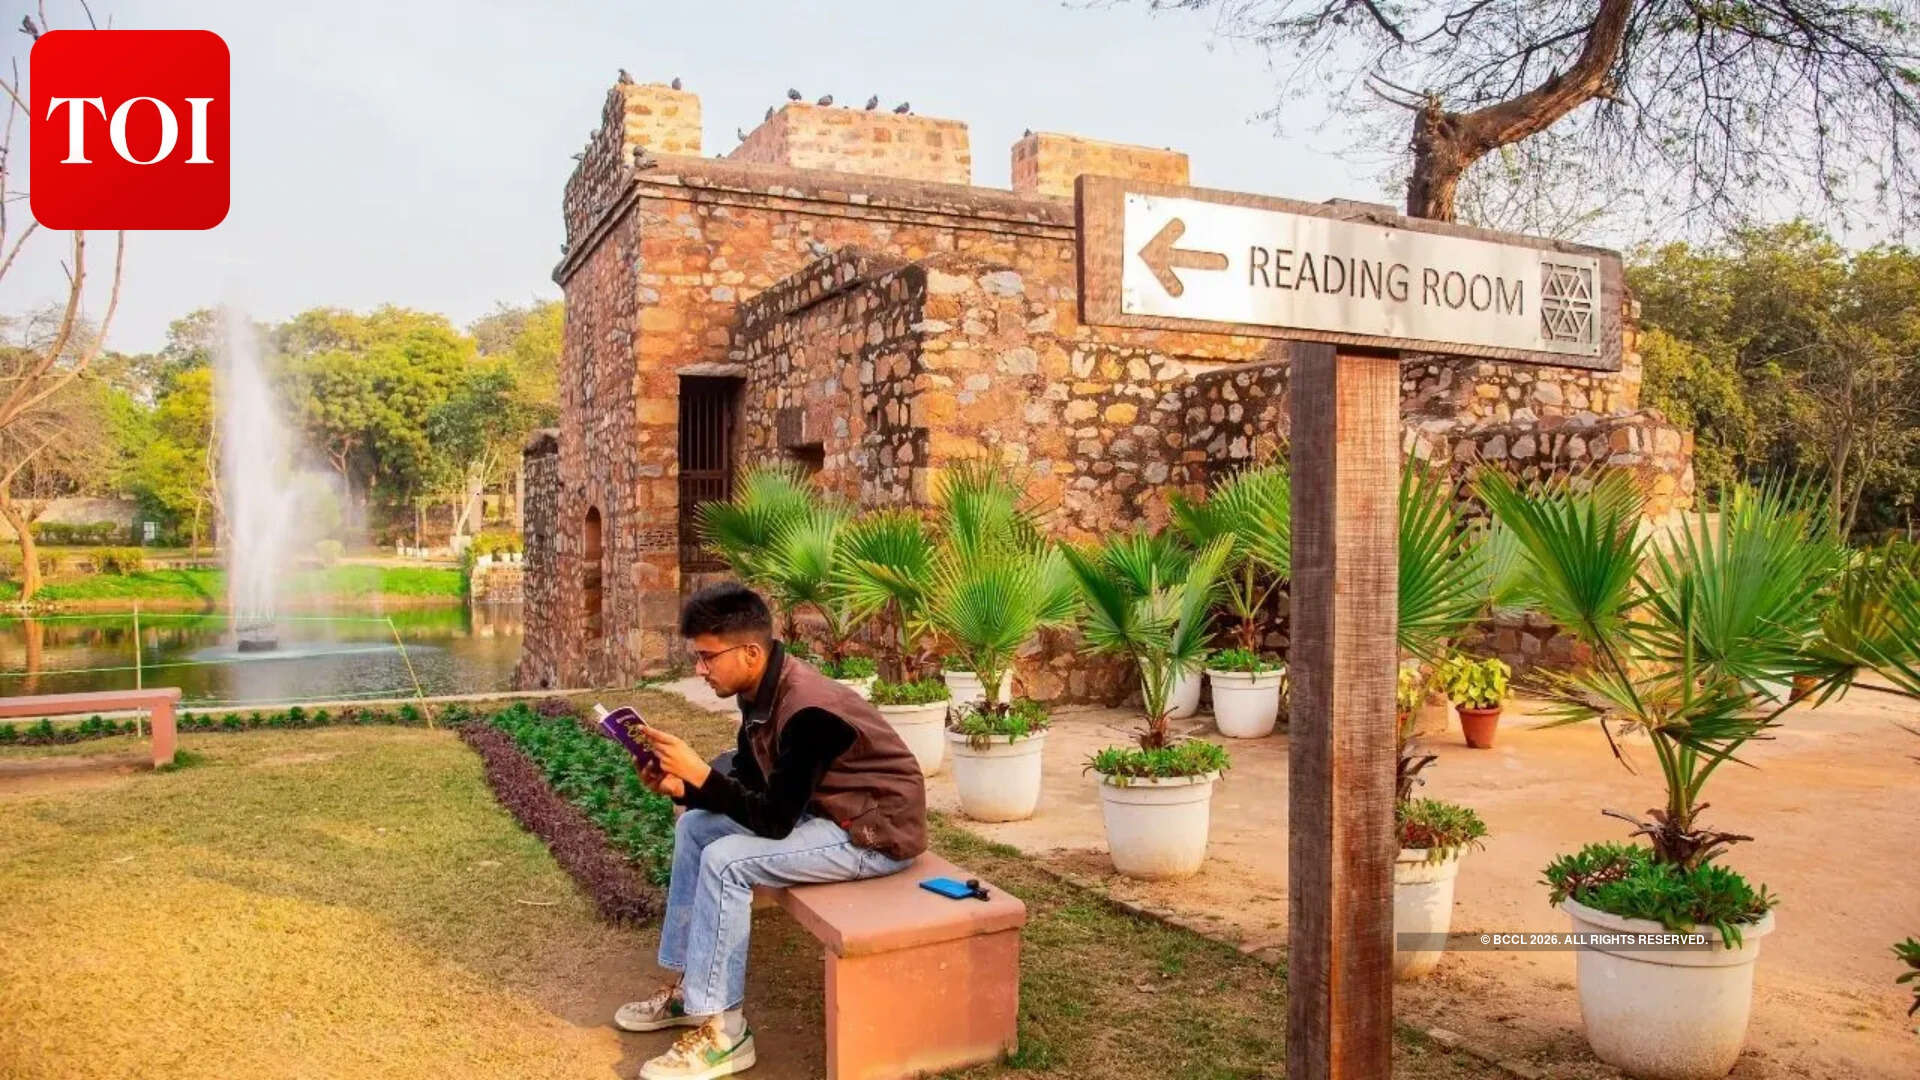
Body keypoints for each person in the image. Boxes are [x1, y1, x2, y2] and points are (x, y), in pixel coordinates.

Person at [616, 582, 927, 1080]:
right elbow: (752, 783)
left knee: (727, 861)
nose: (699, 669)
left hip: (872, 835)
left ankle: (726, 1034)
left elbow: (774, 820)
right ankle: (690, 991)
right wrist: (683, 788)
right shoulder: (760, 690)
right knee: (695, 827)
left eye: (707, 657)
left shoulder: (810, 711)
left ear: (751, 652)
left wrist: (701, 773)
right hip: (823, 813)